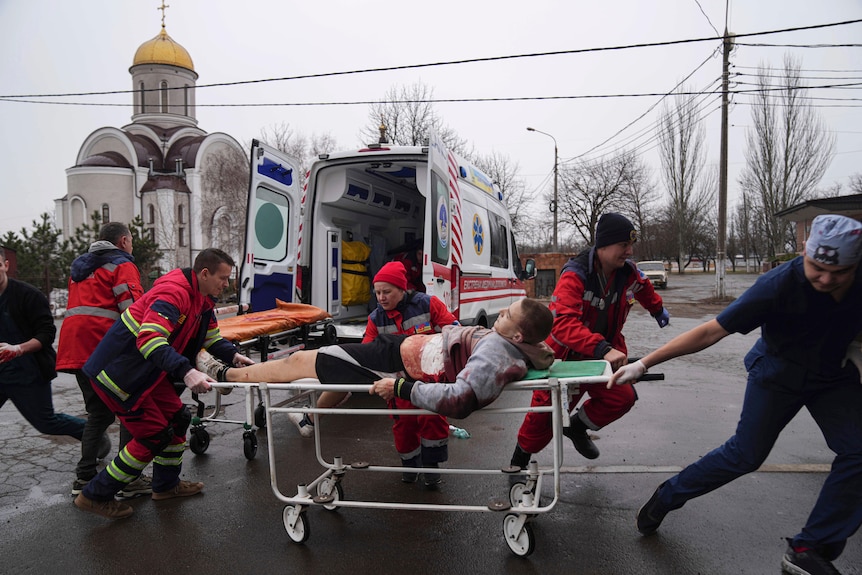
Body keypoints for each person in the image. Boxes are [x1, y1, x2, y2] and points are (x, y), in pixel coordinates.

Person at [609, 214, 862, 575]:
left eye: (838, 273)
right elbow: (711, 332)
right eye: (816, 267)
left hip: (833, 376)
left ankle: (809, 549)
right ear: (804, 252)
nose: (825, 279)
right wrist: (645, 363)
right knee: (746, 455)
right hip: (777, 373)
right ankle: (668, 495)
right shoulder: (777, 285)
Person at [73, 248, 254, 519]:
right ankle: (95, 495)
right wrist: (187, 372)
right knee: (153, 435)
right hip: (120, 375)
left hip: (148, 374)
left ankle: (166, 486)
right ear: (204, 273)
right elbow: (149, 339)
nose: (226, 284)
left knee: (178, 419)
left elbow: (211, 339)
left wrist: (234, 355)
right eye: (223, 278)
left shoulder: (203, 300)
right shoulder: (173, 293)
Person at [197, 298, 555, 422]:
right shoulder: (518, 346)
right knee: (326, 367)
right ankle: (309, 418)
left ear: (517, 335)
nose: (501, 314)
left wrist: (400, 387)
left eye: (507, 315)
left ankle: (226, 376)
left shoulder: (496, 352)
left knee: (301, 361)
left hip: (390, 364)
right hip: (394, 352)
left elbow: (460, 399)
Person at [509, 213, 669, 470]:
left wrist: (658, 310)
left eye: (630, 246)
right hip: (567, 358)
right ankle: (518, 463)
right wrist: (603, 349)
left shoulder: (626, 273)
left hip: (603, 356)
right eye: (623, 246)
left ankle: (577, 428)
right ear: (603, 245)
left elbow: (644, 287)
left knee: (622, 398)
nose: (629, 252)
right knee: (542, 418)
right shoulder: (575, 274)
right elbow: (562, 324)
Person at [57, 222, 152, 498]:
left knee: (98, 413)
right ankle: (128, 478)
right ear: (123, 241)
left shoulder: (79, 268)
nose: (132, 246)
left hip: (75, 349)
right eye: (131, 240)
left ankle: (84, 477)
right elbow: (133, 312)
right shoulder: (122, 265)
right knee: (128, 408)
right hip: (102, 349)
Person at [366, 261, 460, 486]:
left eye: (387, 292)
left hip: (429, 381)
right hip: (398, 384)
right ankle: (409, 465)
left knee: (432, 420)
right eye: (377, 292)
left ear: (402, 289)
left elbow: (453, 331)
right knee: (404, 427)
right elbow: (367, 353)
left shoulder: (428, 304)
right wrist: (381, 382)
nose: (381, 297)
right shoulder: (375, 319)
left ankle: (431, 466)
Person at [0, 247, 87, 443]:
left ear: (6, 265)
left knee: (47, 423)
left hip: (28, 374)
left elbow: (47, 334)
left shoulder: (28, 296)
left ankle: (91, 433)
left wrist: (17, 349)